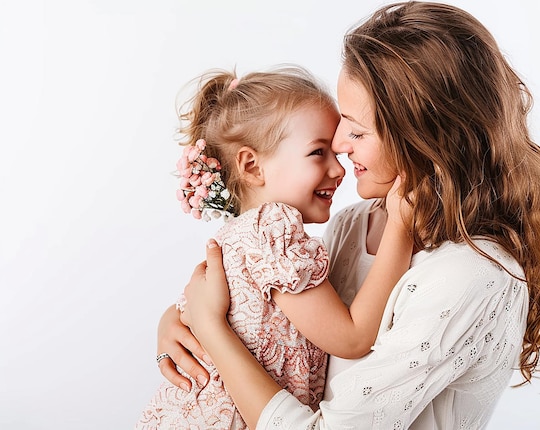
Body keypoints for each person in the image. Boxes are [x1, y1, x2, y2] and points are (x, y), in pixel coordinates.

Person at [158, 2, 540, 428]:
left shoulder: (472, 272)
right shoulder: (351, 225)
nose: (340, 144)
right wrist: (181, 321)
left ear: (424, 136)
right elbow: (271, 312)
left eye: (356, 130)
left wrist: (211, 329)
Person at [136, 66, 413, 429]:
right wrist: (401, 224)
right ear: (252, 166)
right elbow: (353, 337)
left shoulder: (244, 234)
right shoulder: (273, 232)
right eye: (318, 153)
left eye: (336, 153)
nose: (339, 169)